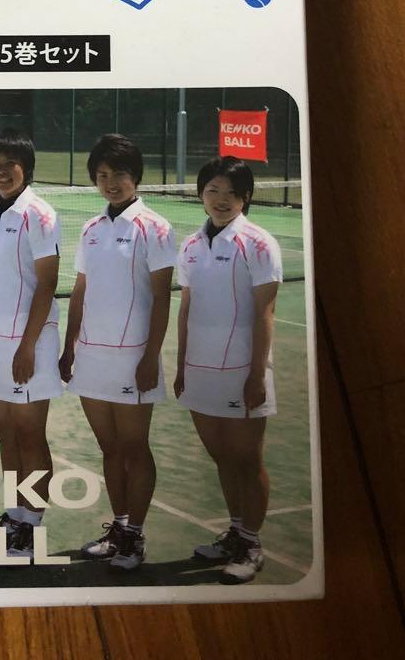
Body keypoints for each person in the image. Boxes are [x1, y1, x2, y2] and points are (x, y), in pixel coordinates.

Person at [59, 134, 175, 570]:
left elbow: (161, 298)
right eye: (102, 175)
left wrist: (149, 357)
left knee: (134, 447)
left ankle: (135, 537)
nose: (110, 183)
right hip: (91, 357)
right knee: (109, 447)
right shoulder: (91, 229)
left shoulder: (155, 228)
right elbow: (80, 291)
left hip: (132, 359)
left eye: (119, 174)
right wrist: (69, 348)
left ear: (136, 177)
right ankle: (119, 527)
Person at [174, 156, 282, 584]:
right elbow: (185, 309)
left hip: (242, 371)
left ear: (246, 197)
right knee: (221, 456)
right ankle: (236, 532)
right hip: (199, 370)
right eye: (213, 190)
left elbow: (265, 313)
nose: (221, 199)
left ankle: (251, 545)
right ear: (201, 193)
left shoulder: (258, 243)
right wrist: (181, 366)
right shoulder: (190, 245)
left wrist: (256, 375)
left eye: (232, 193)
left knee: (247, 460)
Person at [0, 129, 61, 559]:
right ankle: (13, 516)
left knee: (30, 435)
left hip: (30, 344)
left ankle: (32, 524)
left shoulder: (40, 215)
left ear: (27, 168)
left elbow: (48, 283)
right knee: (5, 434)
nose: (1, 172)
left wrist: (27, 346)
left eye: (10, 164)